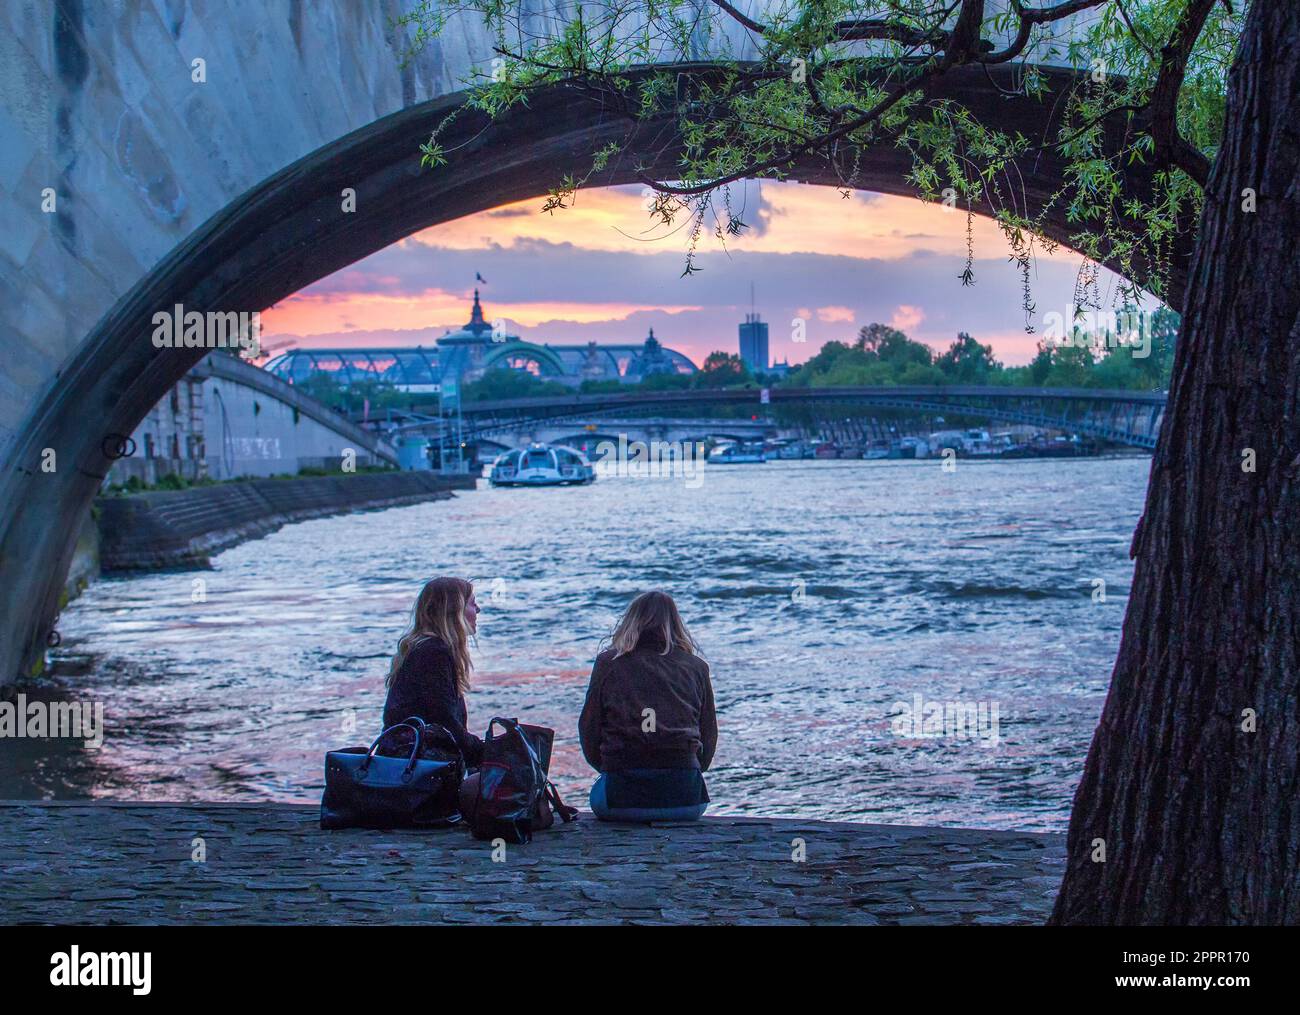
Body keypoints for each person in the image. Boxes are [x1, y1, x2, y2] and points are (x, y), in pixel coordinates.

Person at [579, 591, 717, 822]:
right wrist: (688, 770)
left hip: (621, 801)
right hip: (686, 801)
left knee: (599, 793)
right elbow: (709, 734)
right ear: (675, 623)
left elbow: (589, 728)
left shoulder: (608, 663)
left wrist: (609, 767)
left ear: (631, 621)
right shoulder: (696, 667)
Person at [382, 576, 484, 767]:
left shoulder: (422, 649)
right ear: (454, 611)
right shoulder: (433, 653)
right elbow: (445, 723)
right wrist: (487, 751)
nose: (478, 609)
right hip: (417, 767)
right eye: (472, 604)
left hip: (403, 760)